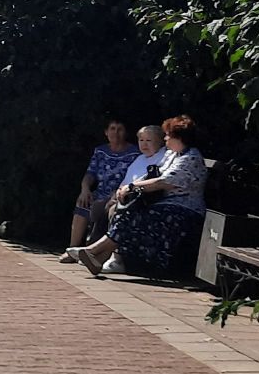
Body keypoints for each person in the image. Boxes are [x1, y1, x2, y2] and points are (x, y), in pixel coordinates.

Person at [73, 115, 206, 279]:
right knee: (129, 211)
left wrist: (131, 187)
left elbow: (163, 181)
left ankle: (95, 252)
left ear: (179, 137)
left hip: (184, 210)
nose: (165, 139)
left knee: (134, 215)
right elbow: (154, 173)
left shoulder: (191, 158)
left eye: (168, 135)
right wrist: (128, 187)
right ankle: (99, 257)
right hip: (164, 206)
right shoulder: (173, 155)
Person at [61, 117, 140, 258]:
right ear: (106, 132)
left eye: (120, 129)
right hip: (101, 191)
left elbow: (134, 177)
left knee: (108, 208)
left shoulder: (134, 153)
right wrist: (85, 189)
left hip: (119, 193)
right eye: (112, 129)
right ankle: (72, 250)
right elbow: (90, 173)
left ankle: (100, 253)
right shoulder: (100, 151)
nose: (116, 133)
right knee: (83, 202)